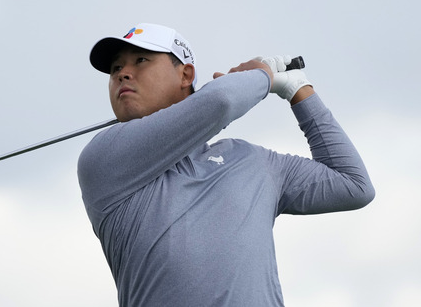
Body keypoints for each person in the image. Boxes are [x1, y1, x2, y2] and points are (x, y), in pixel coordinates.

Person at [77, 23, 375, 306]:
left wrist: (299, 89)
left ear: (185, 75)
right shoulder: (104, 158)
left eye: (140, 60)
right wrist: (262, 75)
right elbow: (220, 101)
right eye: (116, 68)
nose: (123, 74)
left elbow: (353, 185)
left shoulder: (251, 161)